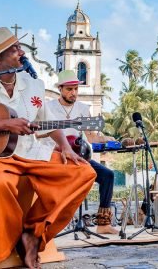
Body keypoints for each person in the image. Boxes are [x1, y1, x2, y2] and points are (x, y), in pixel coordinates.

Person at [0, 27, 96, 269]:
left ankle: (33, 233)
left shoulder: (34, 84)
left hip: (32, 152)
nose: (20, 52)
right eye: (13, 49)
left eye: (19, 47)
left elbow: (44, 121)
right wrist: (5, 123)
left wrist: (64, 146)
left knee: (83, 172)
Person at [48, 69, 120, 235]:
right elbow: (41, 136)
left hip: (78, 158)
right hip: (56, 158)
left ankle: (103, 223)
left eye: (76, 89)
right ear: (60, 89)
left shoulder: (82, 108)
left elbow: (91, 137)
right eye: (69, 89)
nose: (73, 93)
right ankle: (49, 224)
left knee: (107, 175)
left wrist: (107, 139)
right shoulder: (48, 107)